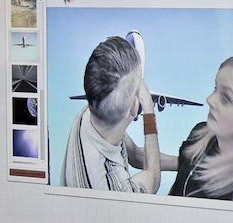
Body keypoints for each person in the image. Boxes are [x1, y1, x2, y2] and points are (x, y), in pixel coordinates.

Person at [62, 35, 161, 194]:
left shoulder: (89, 114)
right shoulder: (115, 189)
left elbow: (136, 155)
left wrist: (183, 161)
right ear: (134, 107)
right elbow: (153, 178)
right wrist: (149, 107)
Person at [168, 56, 233, 200]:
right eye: (215, 89)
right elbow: (182, 164)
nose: (209, 100)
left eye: (226, 98)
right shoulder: (200, 134)